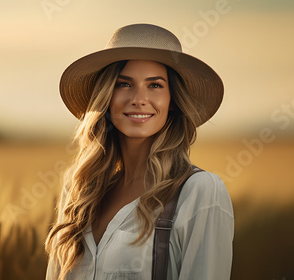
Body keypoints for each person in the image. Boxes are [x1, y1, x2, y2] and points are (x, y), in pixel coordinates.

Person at [45, 23, 234, 280]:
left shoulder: (200, 191)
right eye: (124, 84)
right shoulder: (79, 191)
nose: (138, 99)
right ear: (107, 97)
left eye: (155, 85)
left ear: (173, 101)